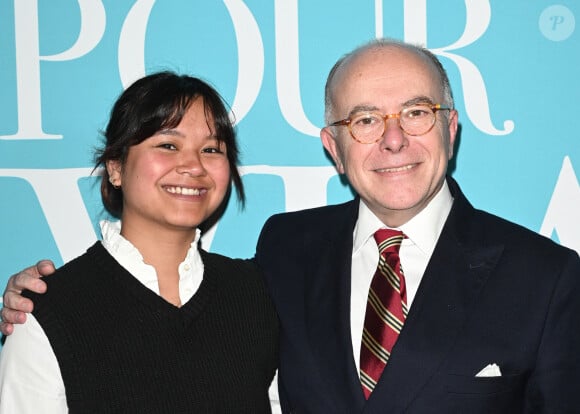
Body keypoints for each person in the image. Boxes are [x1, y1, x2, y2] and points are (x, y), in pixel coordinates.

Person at [3, 39, 580, 413]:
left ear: (451, 129)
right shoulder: (286, 253)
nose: (394, 137)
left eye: (417, 112)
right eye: (365, 119)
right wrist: (45, 302)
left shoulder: (548, 279)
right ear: (333, 147)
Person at [0, 71, 279, 413]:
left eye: (211, 149)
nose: (193, 165)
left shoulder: (256, 294)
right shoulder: (48, 312)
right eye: (168, 145)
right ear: (115, 167)